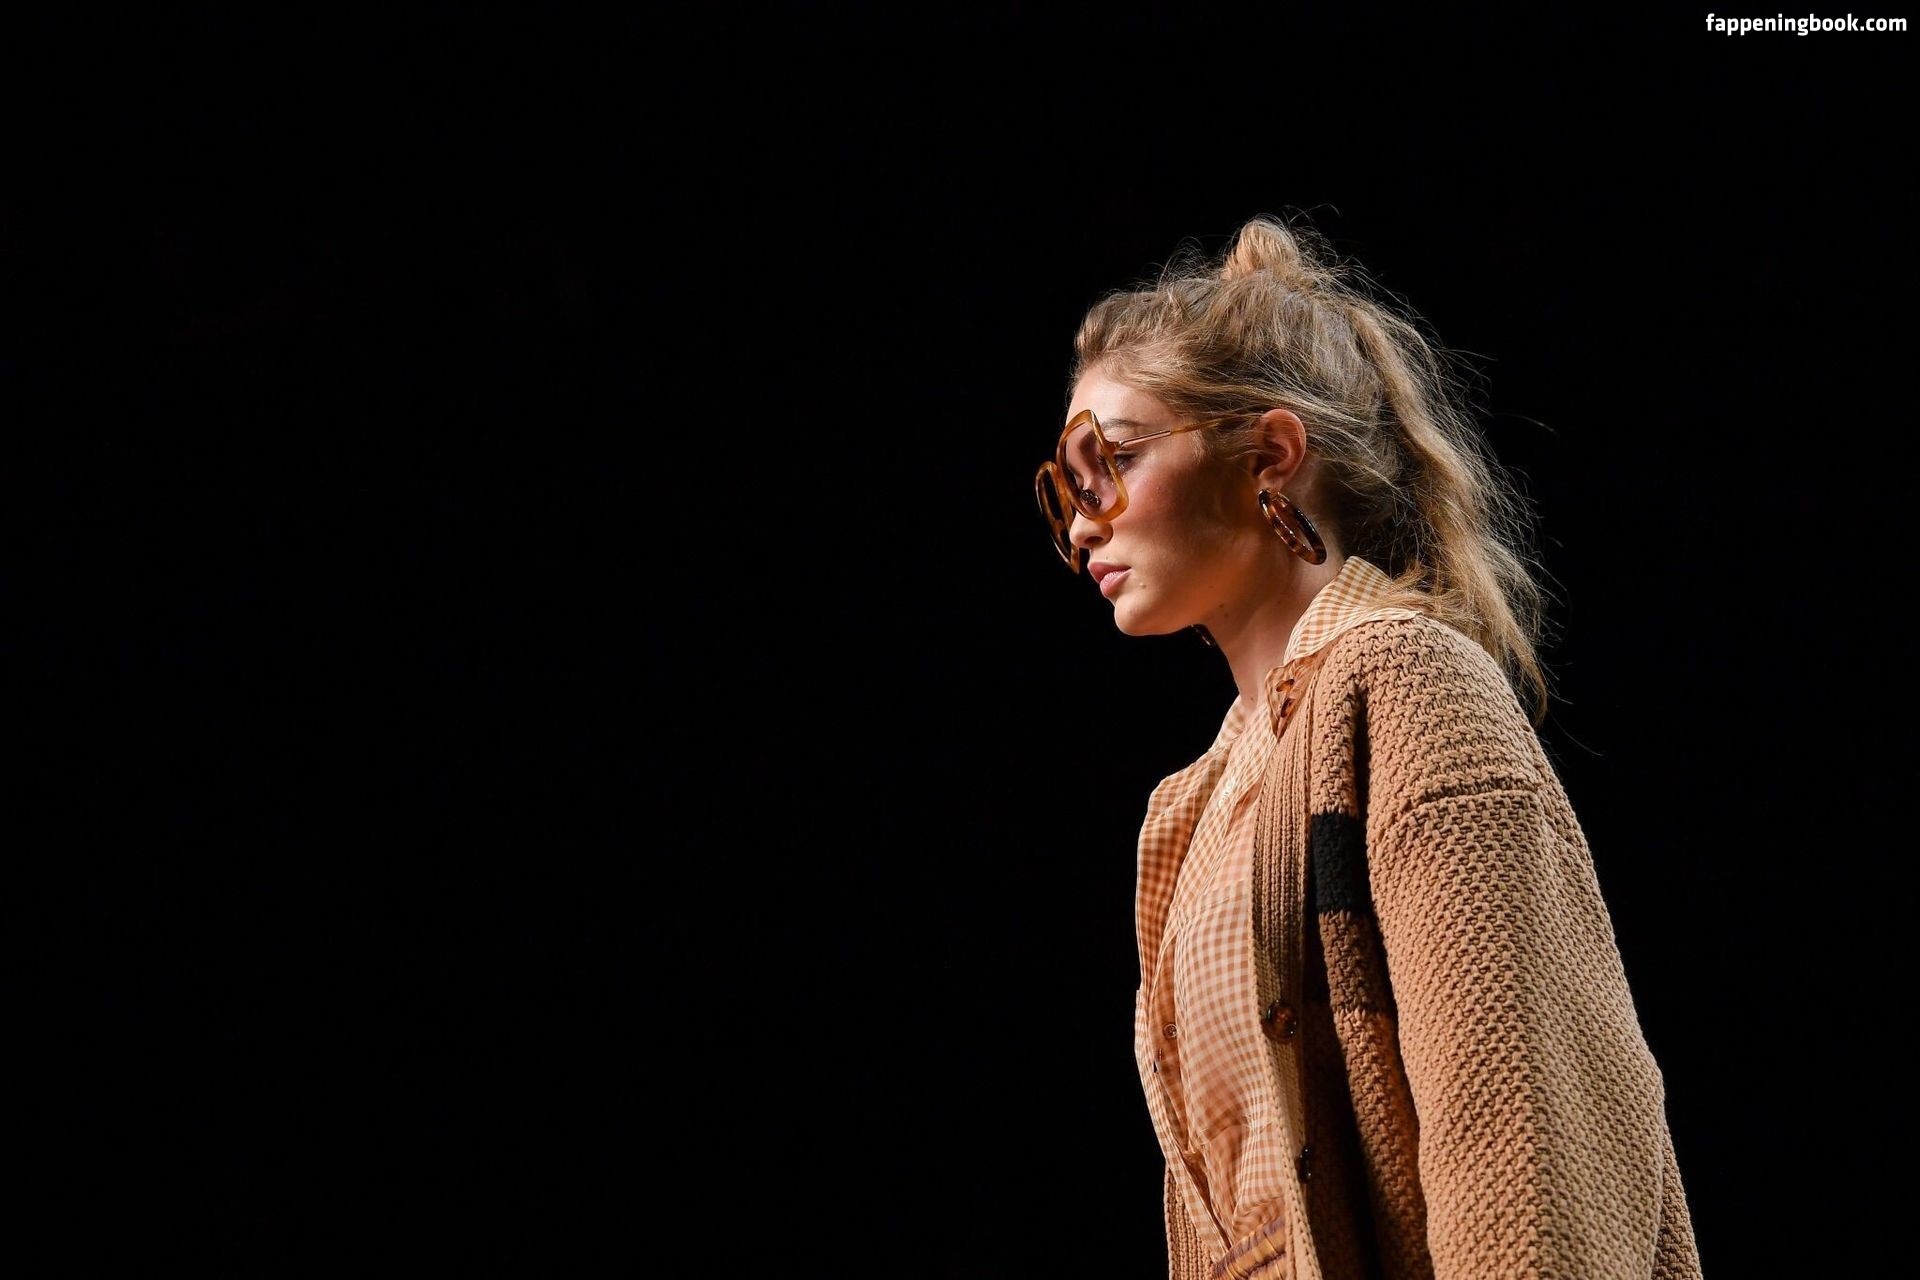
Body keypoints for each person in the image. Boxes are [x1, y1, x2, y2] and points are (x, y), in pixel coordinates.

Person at [1034, 214, 1703, 1280]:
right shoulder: (1203, 802)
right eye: (1067, 490)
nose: (1081, 526)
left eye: (1109, 462)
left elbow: (1513, 1136)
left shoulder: (1408, 682)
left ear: (1271, 454)